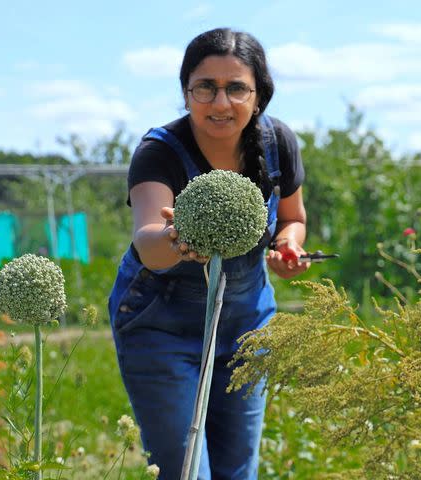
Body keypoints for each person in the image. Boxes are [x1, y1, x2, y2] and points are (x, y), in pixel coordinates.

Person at [108, 27, 309, 479]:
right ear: (186, 93)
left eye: (236, 88)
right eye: (206, 87)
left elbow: (293, 218)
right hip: (161, 327)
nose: (221, 103)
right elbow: (148, 242)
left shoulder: (278, 144)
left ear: (258, 97)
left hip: (246, 325)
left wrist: (287, 248)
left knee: (239, 469)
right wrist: (179, 239)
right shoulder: (158, 151)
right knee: (184, 472)